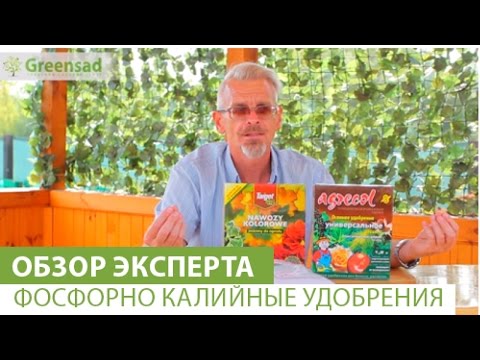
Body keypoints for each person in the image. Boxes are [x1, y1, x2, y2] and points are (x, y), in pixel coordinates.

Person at [143, 62, 459, 269]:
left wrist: (410, 248)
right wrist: (159, 254)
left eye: (263, 109)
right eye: (239, 110)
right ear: (219, 121)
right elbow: (161, 258)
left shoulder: (312, 174)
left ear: (277, 117)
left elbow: (351, 253)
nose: (253, 119)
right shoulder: (193, 173)